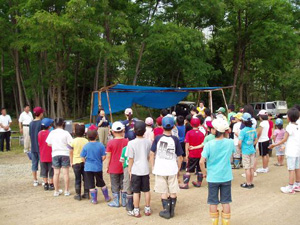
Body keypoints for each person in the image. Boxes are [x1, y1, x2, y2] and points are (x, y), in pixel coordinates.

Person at [200, 118, 235, 225]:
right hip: (226, 176)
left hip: (213, 177)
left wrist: (204, 173)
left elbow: (201, 162)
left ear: (215, 130)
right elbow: (232, 154)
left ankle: (214, 223)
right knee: (226, 201)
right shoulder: (230, 142)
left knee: (213, 201)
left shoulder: (209, 144)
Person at [150, 116, 183, 219]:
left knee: (163, 191)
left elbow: (151, 153)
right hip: (172, 168)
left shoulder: (158, 138)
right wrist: (178, 168)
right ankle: (171, 211)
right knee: (173, 190)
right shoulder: (175, 139)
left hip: (160, 168)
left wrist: (153, 166)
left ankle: (166, 211)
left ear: (161, 126)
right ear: (173, 126)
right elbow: (180, 157)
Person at [269, 108, 300, 194]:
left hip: (291, 151)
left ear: (289, 117)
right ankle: (297, 184)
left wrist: (274, 144)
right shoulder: (298, 125)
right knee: (297, 168)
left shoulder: (289, 127)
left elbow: (284, 139)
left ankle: (290, 187)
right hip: (298, 151)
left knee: (291, 169)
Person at [80, 125, 111, 204]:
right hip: (98, 167)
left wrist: (86, 162)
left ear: (87, 136)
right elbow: (104, 156)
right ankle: (107, 197)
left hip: (88, 168)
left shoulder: (86, 146)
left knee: (91, 184)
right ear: (97, 136)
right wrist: (99, 160)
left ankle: (94, 199)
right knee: (101, 182)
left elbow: (82, 157)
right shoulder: (100, 145)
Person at [127, 121, 152, 217]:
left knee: (136, 192)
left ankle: (136, 210)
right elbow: (148, 156)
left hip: (135, 170)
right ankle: (147, 208)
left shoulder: (131, 143)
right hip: (145, 169)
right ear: (145, 131)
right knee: (146, 190)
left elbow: (131, 159)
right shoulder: (148, 142)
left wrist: (129, 170)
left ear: (134, 131)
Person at [46, 118, 73, 197]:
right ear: (62, 124)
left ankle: (56, 191)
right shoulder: (66, 133)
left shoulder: (52, 133)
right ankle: (66, 190)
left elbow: (48, 143)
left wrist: (55, 146)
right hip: (65, 153)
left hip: (55, 153)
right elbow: (71, 143)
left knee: (56, 173)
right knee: (66, 173)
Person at [106, 121, 128, 207]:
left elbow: (108, 156)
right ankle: (124, 201)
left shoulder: (110, 143)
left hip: (113, 167)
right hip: (124, 166)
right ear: (123, 130)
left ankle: (116, 201)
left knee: (114, 184)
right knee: (123, 183)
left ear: (113, 132)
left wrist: (107, 166)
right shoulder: (127, 141)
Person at [180, 117, 205, 189]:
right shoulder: (201, 133)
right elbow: (202, 144)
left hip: (192, 154)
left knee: (188, 170)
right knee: (200, 169)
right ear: (199, 124)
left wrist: (187, 154)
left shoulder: (189, 133)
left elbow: (187, 144)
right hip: (200, 154)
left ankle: (185, 184)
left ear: (191, 124)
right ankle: (199, 182)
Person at [69, 124, 89, 200]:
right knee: (85, 178)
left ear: (74, 131)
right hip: (85, 162)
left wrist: (71, 161)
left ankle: (78, 194)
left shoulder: (73, 141)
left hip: (76, 162)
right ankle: (86, 193)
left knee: (77, 178)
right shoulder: (86, 141)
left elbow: (71, 152)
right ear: (84, 132)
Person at [238, 113, 258, 189]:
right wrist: (252, 145)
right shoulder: (253, 129)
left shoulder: (243, 131)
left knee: (247, 168)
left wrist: (240, 148)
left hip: (245, 151)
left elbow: (240, 142)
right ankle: (251, 182)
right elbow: (256, 139)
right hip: (252, 150)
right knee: (252, 168)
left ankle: (248, 183)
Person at [38, 118, 54, 191]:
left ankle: (45, 183)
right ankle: (51, 183)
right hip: (50, 155)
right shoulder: (50, 133)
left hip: (42, 155)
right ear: (49, 126)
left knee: (44, 170)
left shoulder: (39, 133)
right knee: (51, 170)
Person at [29, 107, 44, 187]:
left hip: (33, 146)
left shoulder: (31, 123)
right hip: (40, 146)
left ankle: (35, 180)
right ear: (41, 113)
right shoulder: (41, 123)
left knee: (34, 163)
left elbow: (30, 134)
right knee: (42, 163)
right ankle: (44, 179)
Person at [120, 145, 133, 214]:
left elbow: (122, 160)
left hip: (127, 167)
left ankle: (129, 204)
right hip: (136, 167)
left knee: (127, 184)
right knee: (135, 184)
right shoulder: (137, 146)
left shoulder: (125, 148)